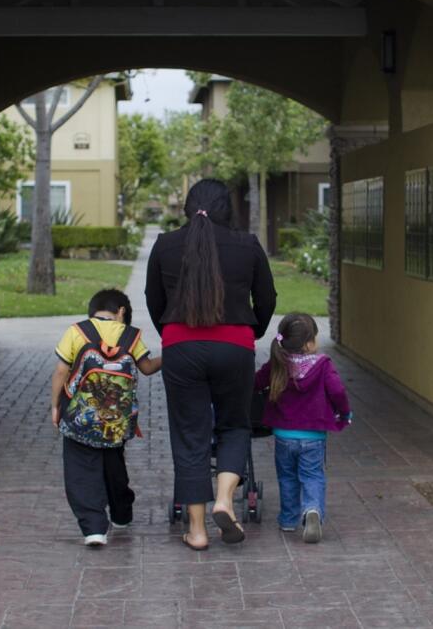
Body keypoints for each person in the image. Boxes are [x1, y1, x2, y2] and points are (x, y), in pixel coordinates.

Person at [146, 178, 276, 549]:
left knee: (190, 435)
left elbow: (153, 299)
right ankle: (224, 500)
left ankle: (198, 531)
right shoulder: (247, 245)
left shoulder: (165, 245)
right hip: (235, 347)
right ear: (227, 208)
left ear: (187, 206)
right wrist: (252, 333)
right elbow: (266, 298)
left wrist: (172, 334)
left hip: (181, 349)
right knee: (235, 425)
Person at [49, 288, 162, 546]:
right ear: (121, 311)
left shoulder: (77, 331)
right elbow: (147, 368)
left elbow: (60, 371)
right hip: (115, 422)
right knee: (114, 467)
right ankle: (121, 514)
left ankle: (94, 529)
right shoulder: (131, 336)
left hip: (80, 420)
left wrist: (55, 405)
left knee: (81, 470)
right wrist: (173, 355)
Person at [253, 313, 351, 543]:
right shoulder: (323, 365)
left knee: (287, 477)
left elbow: (256, 382)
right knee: (312, 475)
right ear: (308, 343)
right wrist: (344, 413)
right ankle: (312, 510)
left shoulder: (277, 363)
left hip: (283, 436)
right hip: (313, 436)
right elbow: (337, 391)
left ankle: (288, 520)